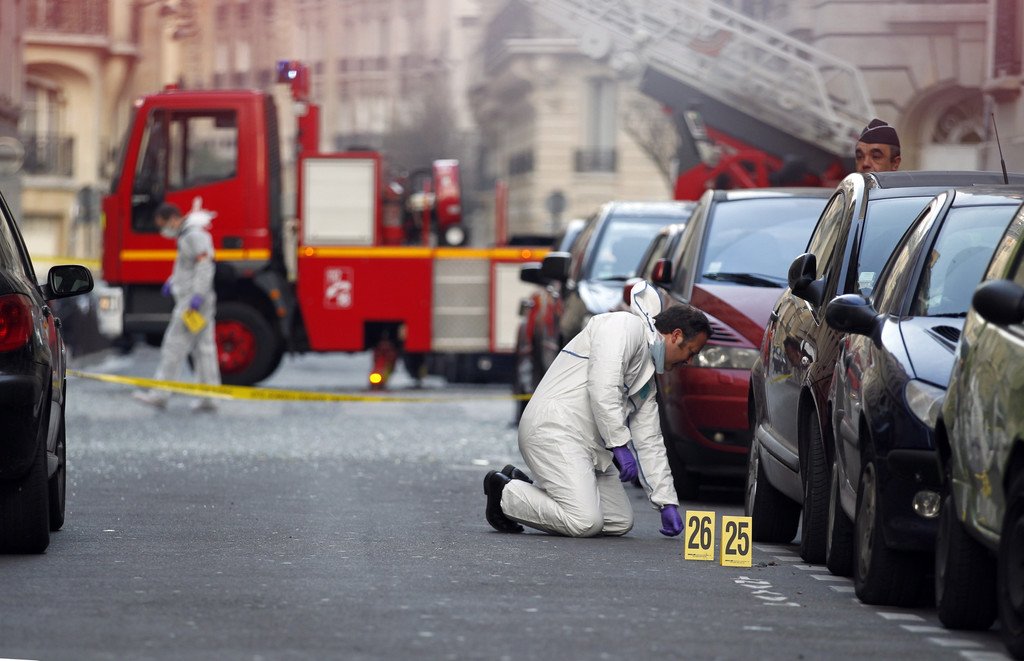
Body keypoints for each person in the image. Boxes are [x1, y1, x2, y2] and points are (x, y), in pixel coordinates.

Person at [484, 281, 711, 537]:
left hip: (589, 447)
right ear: (676, 335)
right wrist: (619, 444)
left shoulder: (646, 378)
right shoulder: (623, 326)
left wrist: (666, 501)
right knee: (585, 521)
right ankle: (505, 492)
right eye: (691, 352)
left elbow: (650, 440)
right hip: (553, 429)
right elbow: (603, 386)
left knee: (619, 522)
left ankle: (527, 488)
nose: (689, 361)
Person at [133, 200, 221, 411]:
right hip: (198, 300)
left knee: (173, 346)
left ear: (173, 219)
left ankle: (160, 394)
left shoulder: (192, 236)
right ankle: (209, 397)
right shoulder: (190, 234)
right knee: (204, 349)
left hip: (191, 303)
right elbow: (190, 267)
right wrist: (173, 282)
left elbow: (204, 266)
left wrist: (196, 296)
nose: (163, 230)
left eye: (163, 224)